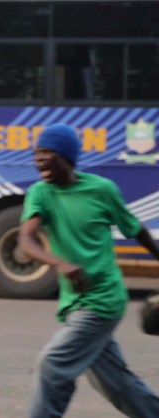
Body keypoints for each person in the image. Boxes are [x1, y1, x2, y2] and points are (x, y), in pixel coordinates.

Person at [18, 123, 159, 418]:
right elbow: (26, 239)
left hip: (102, 300)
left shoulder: (101, 190)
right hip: (74, 301)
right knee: (116, 382)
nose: (39, 159)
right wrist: (59, 263)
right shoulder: (41, 193)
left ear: (66, 157)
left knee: (53, 363)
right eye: (36, 153)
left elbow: (137, 230)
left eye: (46, 153)